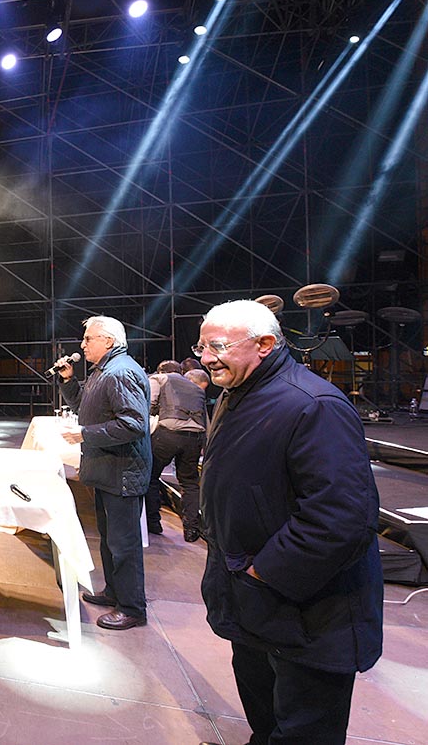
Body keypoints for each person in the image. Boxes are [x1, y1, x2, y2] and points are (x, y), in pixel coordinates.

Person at [195, 300, 382, 745]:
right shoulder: (237, 393)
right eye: (201, 345)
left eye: (217, 345)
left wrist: (262, 575)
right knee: (266, 715)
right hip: (257, 603)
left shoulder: (312, 403)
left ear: (264, 344)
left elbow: (340, 518)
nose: (204, 358)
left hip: (307, 612)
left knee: (303, 728)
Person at [60, 315, 151, 630]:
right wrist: (69, 381)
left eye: (89, 339)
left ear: (108, 341)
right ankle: (114, 591)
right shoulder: (104, 371)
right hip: (109, 470)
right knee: (110, 540)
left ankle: (132, 607)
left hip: (122, 471)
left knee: (124, 544)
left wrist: (86, 434)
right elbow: (83, 404)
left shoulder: (120, 372)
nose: (83, 345)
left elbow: (133, 424)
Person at [147, 360, 207, 541]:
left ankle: (153, 522)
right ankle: (191, 530)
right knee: (189, 482)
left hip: (168, 433)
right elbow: (205, 419)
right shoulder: (196, 389)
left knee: (151, 476)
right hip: (195, 436)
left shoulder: (160, 378)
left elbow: (149, 405)